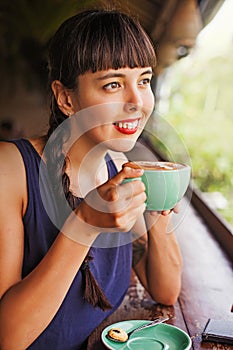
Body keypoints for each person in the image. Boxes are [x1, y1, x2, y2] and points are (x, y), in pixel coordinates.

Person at [0, 9, 182, 350]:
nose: (138, 102)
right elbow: (7, 339)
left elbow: (165, 290)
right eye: (113, 84)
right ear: (66, 98)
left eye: (144, 80)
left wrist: (158, 203)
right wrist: (84, 223)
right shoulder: (10, 169)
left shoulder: (117, 166)